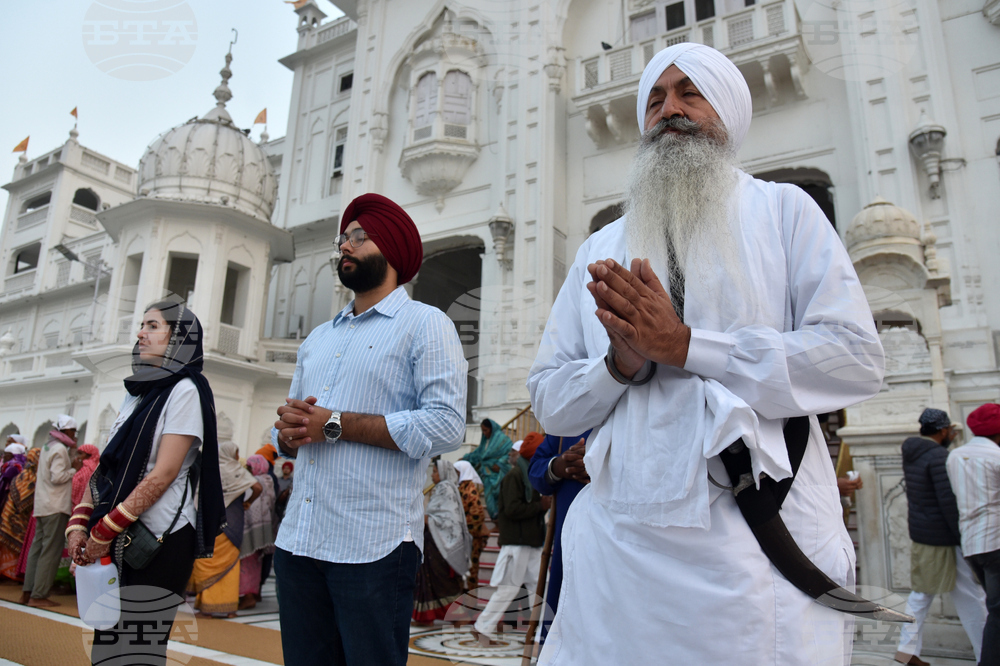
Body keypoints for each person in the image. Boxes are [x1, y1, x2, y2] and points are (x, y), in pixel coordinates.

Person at [527, 43, 885, 665]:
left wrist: (689, 346)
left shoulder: (783, 213)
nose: (670, 110)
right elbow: (551, 403)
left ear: (728, 111)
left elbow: (853, 357)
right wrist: (620, 367)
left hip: (756, 554)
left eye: (690, 93)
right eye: (657, 99)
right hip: (620, 558)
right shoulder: (599, 249)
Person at [272, 192, 468, 666]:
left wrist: (333, 424)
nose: (345, 245)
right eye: (343, 238)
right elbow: (295, 430)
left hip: (372, 547)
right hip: (299, 540)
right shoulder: (319, 339)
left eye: (359, 236)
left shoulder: (426, 325)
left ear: (393, 248)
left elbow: (446, 425)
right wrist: (288, 431)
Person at [66, 301, 225, 666]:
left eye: (153, 326)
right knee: (108, 646)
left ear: (178, 339)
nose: (140, 333)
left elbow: (163, 473)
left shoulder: (185, 390)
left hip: (158, 540)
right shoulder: (137, 392)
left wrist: (102, 531)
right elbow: (108, 467)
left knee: (138, 651)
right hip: (118, 535)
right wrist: (79, 525)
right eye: (142, 325)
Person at [896, 408, 986, 665]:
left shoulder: (912, 452)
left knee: (923, 595)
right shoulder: (938, 456)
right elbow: (948, 503)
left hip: (924, 535)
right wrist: (963, 538)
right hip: (944, 538)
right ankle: (986, 655)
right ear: (944, 430)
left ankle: (907, 652)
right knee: (969, 599)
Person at [472, 437, 550, 646]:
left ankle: (542, 633)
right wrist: (540, 506)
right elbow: (513, 509)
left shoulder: (529, 476)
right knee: (508, 588)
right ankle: (482, 627)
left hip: (531, 542)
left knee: (541, 587)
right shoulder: (515, 477)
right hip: (517, 543)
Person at [947, 403, 1000, 665]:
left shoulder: (955, 456)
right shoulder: (995, 458)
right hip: (995, 541)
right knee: (998, 612)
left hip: (972, 544)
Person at [526, 429, 591, 642]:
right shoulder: (571, 421)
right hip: (570, 546)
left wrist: (598, 462)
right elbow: (536, 469)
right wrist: (559, 466)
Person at [188, 438, 261, 618]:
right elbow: (258, 487)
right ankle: (228, 608)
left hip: (212, 521)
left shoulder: (211, 469)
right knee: (230, 562)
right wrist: (248, 502)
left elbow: (198, 496)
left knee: (207, 558)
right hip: (234, 521)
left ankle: (207, 606)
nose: (237, 456)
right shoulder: (238, 470)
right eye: (236, 452)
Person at [19, 415, 80, 607]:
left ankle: (27, 592)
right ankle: (39, 594)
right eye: (72, 432)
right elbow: (57, 476)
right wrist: (74, 469)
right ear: (67, 431)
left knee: (36, 549)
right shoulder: (60, 449)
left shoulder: (47, 447)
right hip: (55, 506)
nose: (74, 435)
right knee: (50, 551)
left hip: (42, 505)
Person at [413, 459, 471, 624]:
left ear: (444, 473)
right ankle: (426, 616)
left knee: (442, 580)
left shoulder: (445, 489)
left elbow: (447, 519)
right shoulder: (442, 489)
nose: (432, 475)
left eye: (435, 471)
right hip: (434, 541)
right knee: (430, 579)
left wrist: (423, 519)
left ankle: (459, 616)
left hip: (442, 543)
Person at [239, 454, 276, 610]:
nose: (248, 468)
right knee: (256, 563)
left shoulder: (255, 483)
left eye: (250, 466)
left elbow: (249, 506)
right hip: (264, 529)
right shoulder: (269, 481)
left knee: (246, 562)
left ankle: (247, 596)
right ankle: (255, 593)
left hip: (251, 528)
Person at [0, 448, 40, 582]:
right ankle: (10, 575)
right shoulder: (31, 476)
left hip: (12, 515)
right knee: (12, 548)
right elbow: (25, 500)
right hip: (16, 516)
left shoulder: (24, 473)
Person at [463, 418, 513, 518]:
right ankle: (495, 520)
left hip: (499, 474)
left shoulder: (502, 439)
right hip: (487, 474)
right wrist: (465, 458)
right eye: (483, 431)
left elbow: (509, 453)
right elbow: (478, 454)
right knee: (489, 498)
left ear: (492, 429)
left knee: (500, 497)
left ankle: (500, 523)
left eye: (486, 430)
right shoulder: (485, 442)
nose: (484, 433)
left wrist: (499, 463)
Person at [454, 460, 488, 589]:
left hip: (471, 539)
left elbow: (477, 515)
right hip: (464, 538)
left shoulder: (470, 490)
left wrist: (462, 528)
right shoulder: (462, 488)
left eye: (456, 472)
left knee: (471, 573)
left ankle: (470, 604)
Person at [1, 437, 27, 510]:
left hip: (9, 500)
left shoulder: (12, 467)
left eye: (6, 454)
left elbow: (4, 487)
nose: (4, 457)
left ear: (11, 455)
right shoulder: (20, 465)